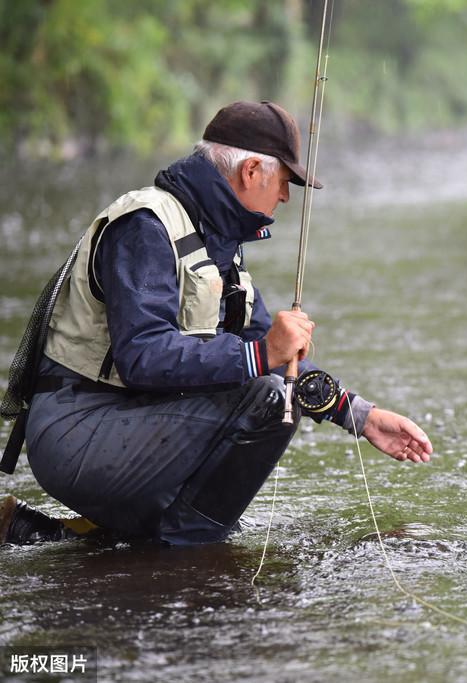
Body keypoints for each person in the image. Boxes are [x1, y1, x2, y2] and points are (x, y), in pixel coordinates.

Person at [0, 100, 432, 545]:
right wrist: (263, 353)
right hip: (75, 431)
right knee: (269, 401)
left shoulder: (218, 243)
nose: (285, 196)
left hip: (127, 422)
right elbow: (144, 358)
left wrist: (360, 415)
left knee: (269, 393)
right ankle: (183, 552)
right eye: (284, 182)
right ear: (250, 172)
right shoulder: (146, 227)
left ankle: (65, 536)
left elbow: (271, 355)